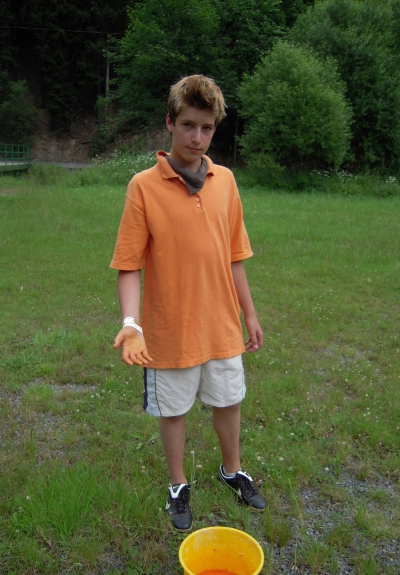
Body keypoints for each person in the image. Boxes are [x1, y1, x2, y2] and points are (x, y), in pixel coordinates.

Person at [110, 74, 267, 532]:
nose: (197, 137)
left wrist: (249, 314)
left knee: (229, 401)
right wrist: (131, 322)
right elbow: (129, 264)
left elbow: (235, 256)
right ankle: (178, 484)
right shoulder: (143, 186)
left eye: (206, 128)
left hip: (222, 326)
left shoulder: (226, 181)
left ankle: (232, 471)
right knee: (174, 410)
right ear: (169, 123)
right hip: (169, 330)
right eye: (187, 125)